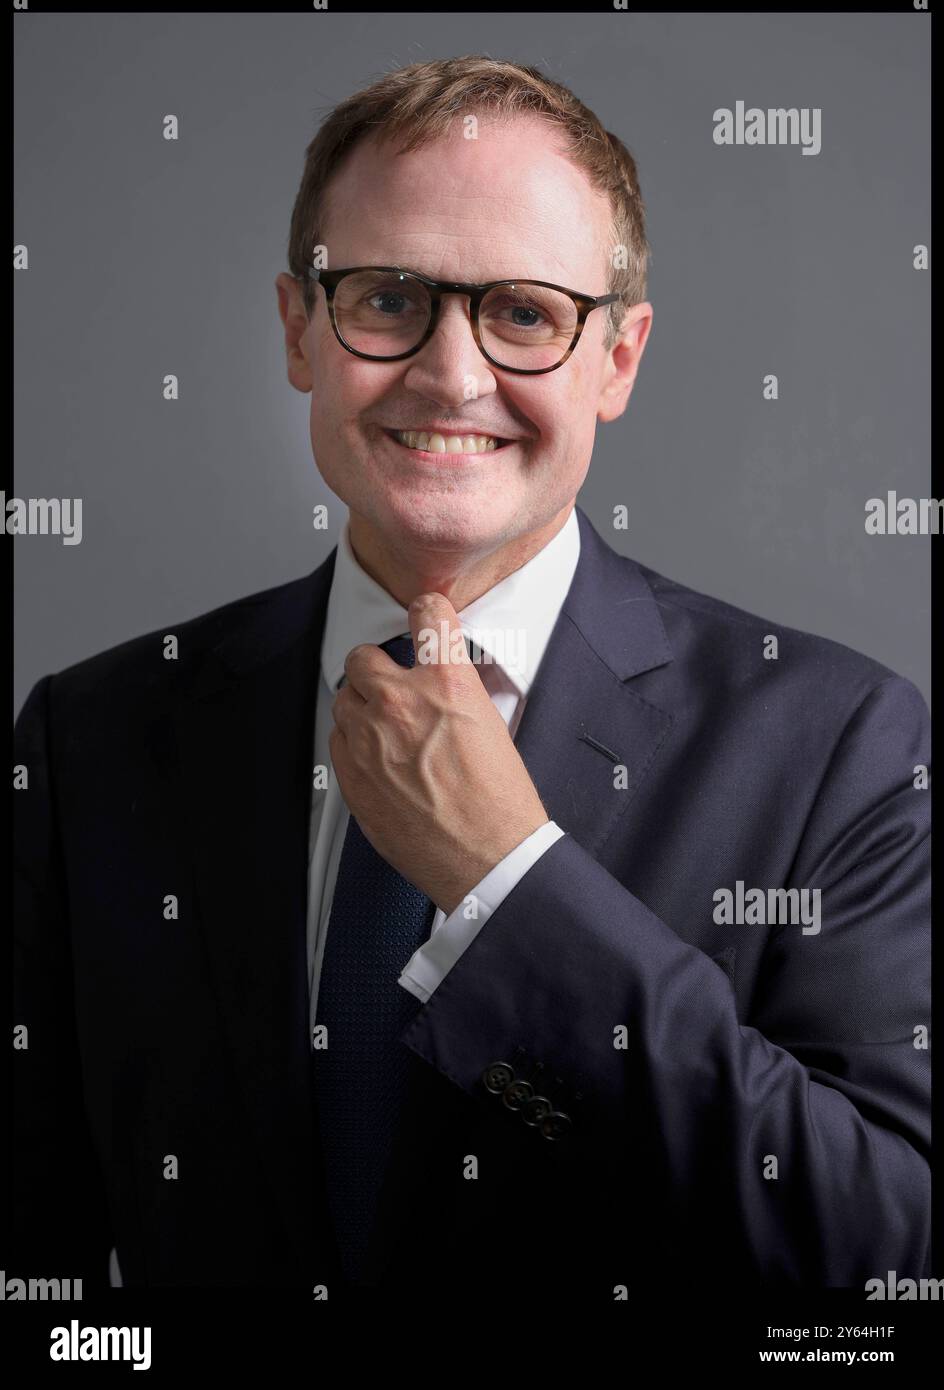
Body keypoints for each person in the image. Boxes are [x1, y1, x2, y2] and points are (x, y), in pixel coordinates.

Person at [13, 56, 930, 1303]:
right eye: (387, 298)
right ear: (298, 330)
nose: (450, 376)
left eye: (524, 313)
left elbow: (877, 1259)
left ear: (615, 358)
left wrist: (509, 884)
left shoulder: (840, 745)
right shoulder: (93, 737)